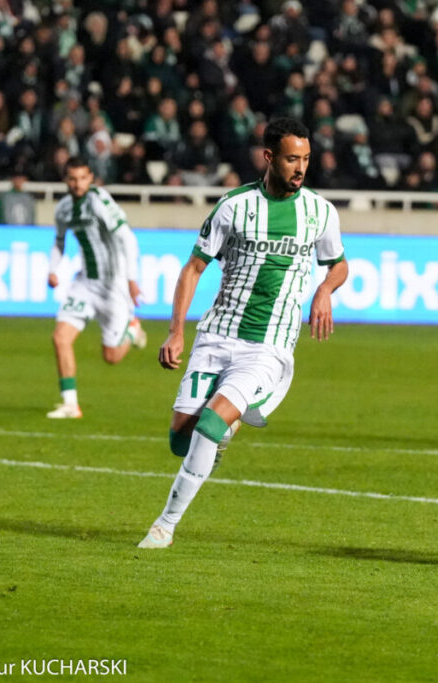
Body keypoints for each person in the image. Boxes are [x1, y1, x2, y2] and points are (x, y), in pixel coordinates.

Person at [137, 117, 348, 549]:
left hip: (268, 347)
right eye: (292, 159)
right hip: (216, 337)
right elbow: (193, 268)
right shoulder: (234, 207)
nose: (301, 168)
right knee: (182, 437)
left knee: (210, 425)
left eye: (306, 159)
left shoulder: (320, 212)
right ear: (269, 157)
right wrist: (176, 331)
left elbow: (339, 263)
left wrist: (325, 288)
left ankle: (164, 525)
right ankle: (223, 431)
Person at [47, 157, 147, 419]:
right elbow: (59, 241)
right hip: (84, 283)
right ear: (66, 179)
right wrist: (53, 268)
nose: (77, 184)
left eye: (82, 178)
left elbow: (127, 237)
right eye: (72, 178)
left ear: (90, 178)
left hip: (113, 285)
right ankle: (71, 404)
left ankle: (132, 328)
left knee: (111, 357)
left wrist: (132, 280)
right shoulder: (64, 208)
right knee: (60, 337)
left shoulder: (99, 201)